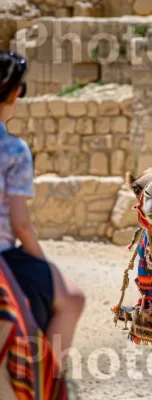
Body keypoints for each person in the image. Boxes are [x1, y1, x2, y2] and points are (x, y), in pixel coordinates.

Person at [0, 50, 85, 371]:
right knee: (72, 299)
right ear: (16, 93)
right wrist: (42, 262)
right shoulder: (13, 150)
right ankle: (45, 381)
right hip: (4, 256)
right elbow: (20, 223)